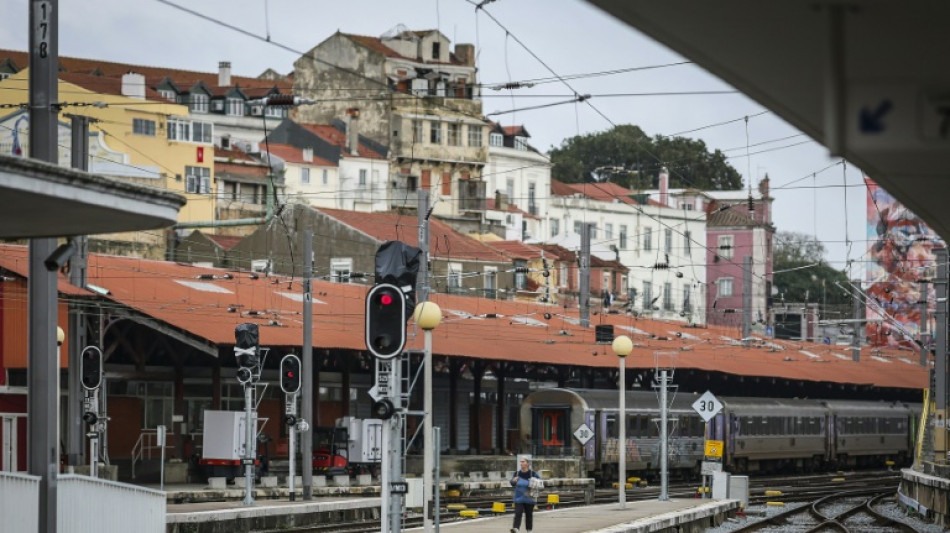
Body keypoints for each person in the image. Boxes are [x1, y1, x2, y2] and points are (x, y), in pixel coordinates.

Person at [509, 457, 541, 533]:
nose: (521, 463)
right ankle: (516, 528)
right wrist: (513, 480)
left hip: (529, 497)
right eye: (520, 462)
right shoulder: (516, 473)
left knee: (529, 514)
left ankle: (529, 530)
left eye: (523, 462)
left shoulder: (533, 474)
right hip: (519, 498)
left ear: (527, 463)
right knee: (518, 513)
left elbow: (539, 483)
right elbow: (512, 483)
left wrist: (533, 482)